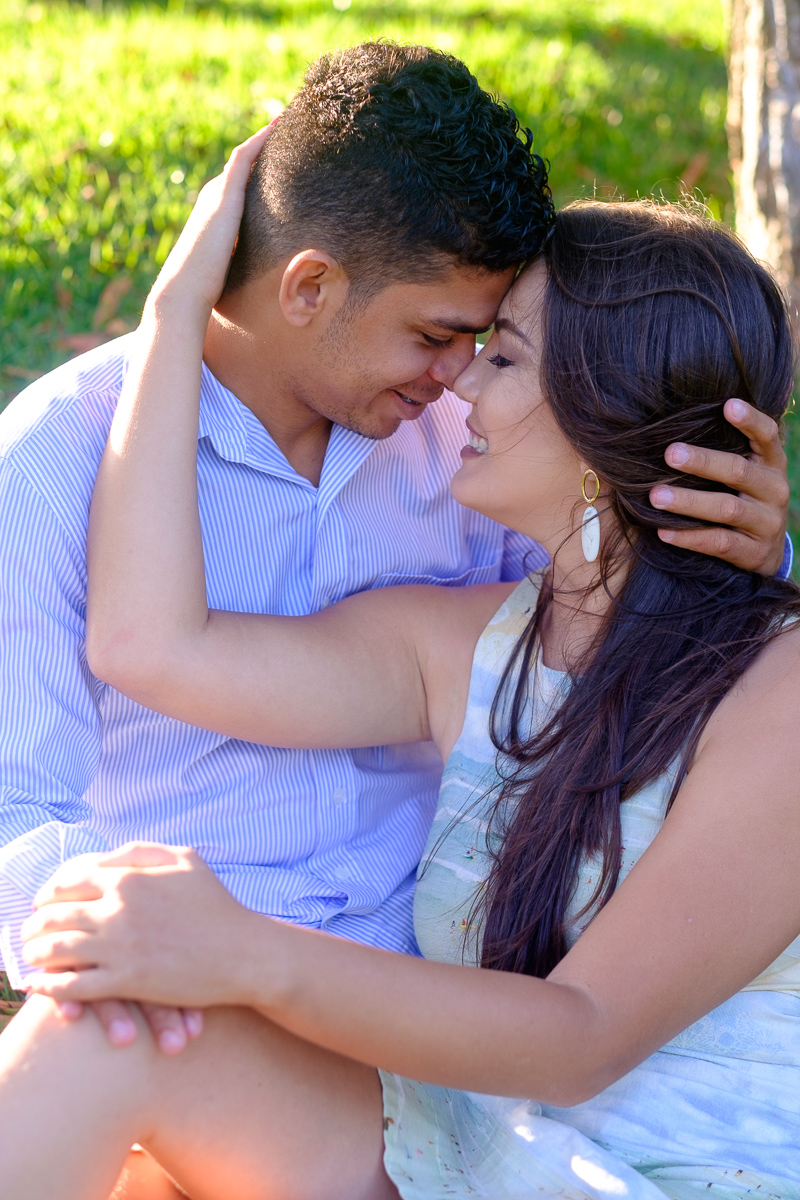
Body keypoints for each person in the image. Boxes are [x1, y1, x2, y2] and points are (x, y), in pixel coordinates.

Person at [3, 136, 800, 1200]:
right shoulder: (466, 642)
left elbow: (579, 1037)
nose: (461, 383)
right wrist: (176, 317)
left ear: (604, 413)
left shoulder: (777, 695)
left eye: (503, 357)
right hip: (451, 1135)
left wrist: (240, 951)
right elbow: (155, 647)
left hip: (652, 1173)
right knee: (106, 1040)